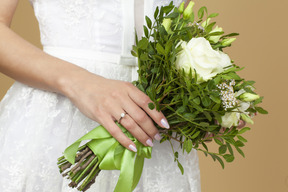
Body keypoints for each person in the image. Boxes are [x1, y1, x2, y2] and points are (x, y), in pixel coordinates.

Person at [0, 0, 201, 191]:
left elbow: (177, 25)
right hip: (57, 121)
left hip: (156, 130)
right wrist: (80, 83)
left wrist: (196, 99)